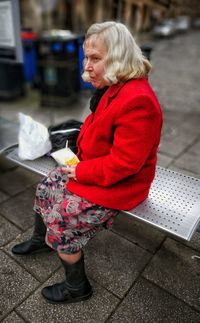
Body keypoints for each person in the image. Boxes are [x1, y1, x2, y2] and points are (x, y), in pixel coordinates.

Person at [12, 21, 162, 304]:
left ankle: (77, 287)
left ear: (118, 57)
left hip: (120, 185)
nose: (87, 66)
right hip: (94, 169)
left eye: (96, 58)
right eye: (86, 57)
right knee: (47, 186)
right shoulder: (114, 86)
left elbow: (125, 164)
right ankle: (40, 241)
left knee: (61, 218)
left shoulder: (137, 100)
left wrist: (80, 170)